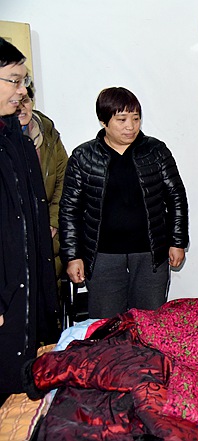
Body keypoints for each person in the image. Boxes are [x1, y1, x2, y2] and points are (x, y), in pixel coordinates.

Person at [59, 87, 189, 319]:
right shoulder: (84, 156)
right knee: (107, 324)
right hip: (102, 256)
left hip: (150, 254)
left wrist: (177, 242)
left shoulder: (155, 151)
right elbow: (70, 210)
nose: (130, 126)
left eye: (135, 118)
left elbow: (176, 197)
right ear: (103, 121)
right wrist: (72, 256)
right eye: (122, 120)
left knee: (150, 322)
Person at [0, 37, 60, 402]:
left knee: (18, 385)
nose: (22, 91)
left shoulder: (15, 140)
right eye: (15, 80)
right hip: (6, 294)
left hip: (21, 289)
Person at [17, 85, 68, 282]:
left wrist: (53, 221)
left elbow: (64, 181)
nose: (22, 108)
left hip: (47, 235)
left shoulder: (47, 132)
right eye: (16, 102)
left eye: (26, 101)